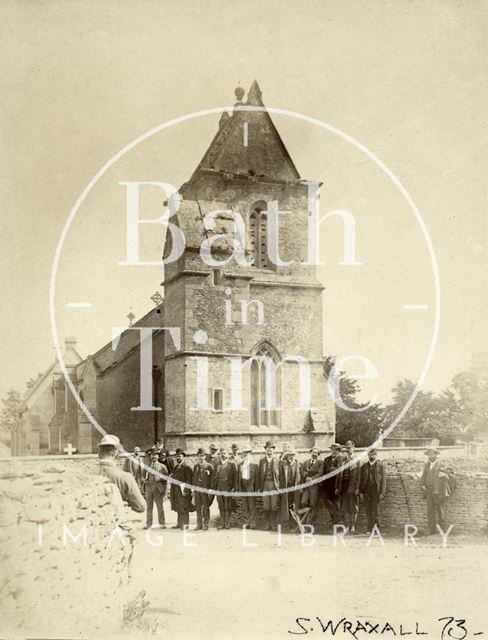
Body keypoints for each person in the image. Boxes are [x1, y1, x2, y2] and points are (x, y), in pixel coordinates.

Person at [97, 434, 146, 513]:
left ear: (99, 454)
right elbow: (141, 507)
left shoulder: (85, 475)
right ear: (117, 455)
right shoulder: (125, 477)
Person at [420, 447, 453, 534]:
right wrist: (423, 485)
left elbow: (451, 475)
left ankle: (441, 530)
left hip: (438, 491)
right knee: (430, 511)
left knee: (440, 510)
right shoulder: (427, 465)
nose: (430, 456)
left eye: (432, 454)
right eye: (429, 454)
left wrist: (444, 475)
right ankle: (431, 530)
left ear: (436, 454)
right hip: (429, 491)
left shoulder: (441, 464)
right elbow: (423, 476)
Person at [359, 448, 387, 533]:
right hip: (366, 490)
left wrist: (382, 492)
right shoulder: (364, 466)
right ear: (368, 455)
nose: (372, 456)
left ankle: (376, 528)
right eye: (370, 454)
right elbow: (361, 480)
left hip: (376, 490)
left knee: (376, 509)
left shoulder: (380, 465)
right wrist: (360, 492)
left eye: (374, 454)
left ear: (376, 455)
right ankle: (369, 528)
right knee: (368, 509)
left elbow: (383, 480)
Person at [337, 440, 361, 532]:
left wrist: (357, 488)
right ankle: (347, 525)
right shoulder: (342, 460)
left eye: (349, 448)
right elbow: (339, 476)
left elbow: (359, 476)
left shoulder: (357, 460)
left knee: (353, 507)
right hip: (343, 486)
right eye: (346, 448)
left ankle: (353, 525)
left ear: (353, 448)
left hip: (352, 486)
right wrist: (338, 487)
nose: (348, 450)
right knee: (344, 506)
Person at [257, 440, 281, 531]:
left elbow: (281, 475)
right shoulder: (262, 461)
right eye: (268, 449)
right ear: (265, 450)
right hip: (265, 485)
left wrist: (279, 486)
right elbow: (259, 475)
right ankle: (267, 524)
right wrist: (259, 487)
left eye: (271, 449)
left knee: (274, 505)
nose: (269, 451)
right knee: (266, 505)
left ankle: (273, 524)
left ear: (273, 450)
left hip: (274, 485)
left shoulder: (278, 461)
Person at [143, 447, 169, 529]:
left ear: (158, 456)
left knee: (159, 506)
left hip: (158, 488)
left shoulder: (162, 466)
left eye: (155, 455)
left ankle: (162, 523)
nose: (153, 457)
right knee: (149, 507)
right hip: (149, 488)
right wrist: (144, 480)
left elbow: (167, 478)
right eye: (152, 455)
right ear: (150, 456)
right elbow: (143, 476)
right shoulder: (147, 466)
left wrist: (160, 478)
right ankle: (148, 524)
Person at [213, 448, 236, 529]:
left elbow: (234, 477)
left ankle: (227, 523)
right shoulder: (216, 465)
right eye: (221, 453)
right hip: (219, 487)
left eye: (225, 453)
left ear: (227, 455)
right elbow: (214, 477)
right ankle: (222, 523)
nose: (223, 455)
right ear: (219, 455)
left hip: (227, 487)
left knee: (227, 506)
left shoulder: (231, 465)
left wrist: (233, 488)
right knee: (221, 506)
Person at [169, 448, 193, 529]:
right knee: (178, 506)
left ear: (183, 457)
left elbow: (189, 480)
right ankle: (179, 523)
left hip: (183, 491)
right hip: (176, 490)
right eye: (177, 456)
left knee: (184, 507)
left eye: (180, 456)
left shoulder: (186, 468)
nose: (178, 458)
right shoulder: (176, 467)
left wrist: (186, 490)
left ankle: (185, 524)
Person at [279, 448, 301, 530]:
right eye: (289, 455)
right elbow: (281, 477)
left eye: (292, 455)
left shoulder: (298, 464)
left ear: (294, 456)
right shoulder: (283, 465)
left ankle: (294, 523)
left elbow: (300, 477)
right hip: (286, 488)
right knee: (286, 506)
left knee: (294, 505)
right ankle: (287, 523)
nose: (290, 457)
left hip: (295, 489)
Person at [321, 443, 342, 529]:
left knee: (336, 503)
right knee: (327, 502)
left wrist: (338, 487)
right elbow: (324, 471)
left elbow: (341, 472)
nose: (334, 451)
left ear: (338, 451)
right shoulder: (326, 459)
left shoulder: (341, 459)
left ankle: (337, 522)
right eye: (332, 449)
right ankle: (335, 520)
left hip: (336, 484)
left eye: (336, 450)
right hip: (327, 485)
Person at [237, 446, 258, 529]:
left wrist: (256, 488)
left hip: (251, 488)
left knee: (251, 506)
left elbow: (257, 478)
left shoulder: (254, 465)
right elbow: (238, 478)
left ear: (250, 455)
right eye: (244, 455)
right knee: (245, 506)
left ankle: (253, 523)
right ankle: (247, 522)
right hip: (243, 488)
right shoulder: (240, 465)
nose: (245, 456)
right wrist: (237, 487)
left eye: (247, 455)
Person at [192, 447, 214, 530]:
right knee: (197, 507)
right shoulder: (195, 467)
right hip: (197, 490)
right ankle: (199, 524)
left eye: (202, 456)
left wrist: (211, 489)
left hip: (205, 490)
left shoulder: (209, 466)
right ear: (197, 456)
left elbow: (212, 479)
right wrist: (193, 489)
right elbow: (194, 478)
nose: (201, 457)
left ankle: (206, 524)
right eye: (199, 456)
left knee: (206, 507)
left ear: (205, 457)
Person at [300, 446, 322, 523]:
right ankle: (304, 519)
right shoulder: (305, 463)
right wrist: (305, 476)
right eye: (313, 452)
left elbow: (320, 473)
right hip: (306, 486)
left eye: (316, 453)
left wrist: (311, 479)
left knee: (313, 504)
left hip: (314, 487)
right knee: (303, 502)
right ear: (311, 453)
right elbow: (302, 472)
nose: (314, 454)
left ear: (318, 454)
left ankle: (310, 521)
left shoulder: (320, 463)